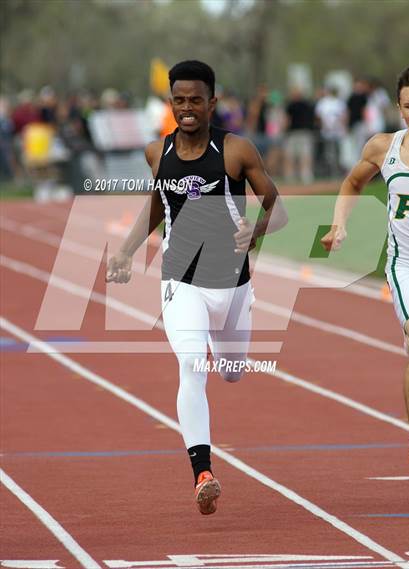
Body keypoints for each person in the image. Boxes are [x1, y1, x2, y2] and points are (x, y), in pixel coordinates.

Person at [106, 60, 288, 514]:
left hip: (232, 283)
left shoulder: (236, 151)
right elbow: (157, 205)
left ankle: (230, 353)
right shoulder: (157, 153)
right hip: (179, 277)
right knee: (192, 363)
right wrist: (127, 251)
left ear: (212, 102)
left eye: (195, 100)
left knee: (230, 369)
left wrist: (256, 232)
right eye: (179, 100)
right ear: (171, 103)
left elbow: (278, 210)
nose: (187, 108)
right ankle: (202, 471)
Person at [321, 64, 409, 489]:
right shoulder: (384, 147)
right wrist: (339, 224)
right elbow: (352, 183)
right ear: (397, 107)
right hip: (408, 268)